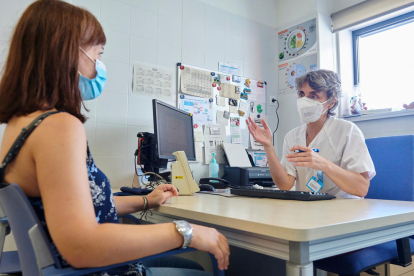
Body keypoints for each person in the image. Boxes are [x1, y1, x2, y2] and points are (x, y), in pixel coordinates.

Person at [0, 1, 229, 275]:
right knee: (201, 267)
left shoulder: (20, 126)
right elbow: (81, 245)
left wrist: (147, 200)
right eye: (97, 53)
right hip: (94, 269)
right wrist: (185, 231)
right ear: (68, 53)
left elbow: (79, 206)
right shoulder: (58, 125)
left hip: (72, 268)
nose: (99, 65)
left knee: (185, 264)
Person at [247, 70, 375, 198]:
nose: (304, 101)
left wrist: (324, 164)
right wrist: (268, 146)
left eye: (313, 96)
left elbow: (361, 188)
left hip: (343, 210)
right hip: (308, 210)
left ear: (331, 103)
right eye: (301, 94)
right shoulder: (292, 136)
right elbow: (285, 185)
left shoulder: (347, 131)